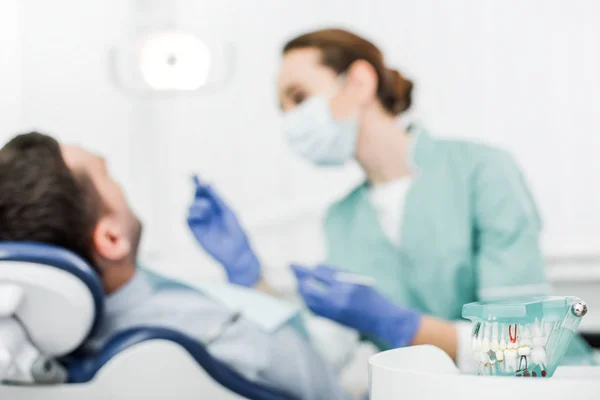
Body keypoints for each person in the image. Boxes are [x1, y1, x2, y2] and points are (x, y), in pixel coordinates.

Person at [188, 28, 595, 370]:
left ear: (360, 82)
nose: (292, 121)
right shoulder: (342, 219)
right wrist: (247, 275)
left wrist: (401, 326)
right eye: (283, 109)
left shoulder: (481, 171)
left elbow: (528, 348)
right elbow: (316, 357)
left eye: (298, 97)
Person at [0, 132, 347, 400]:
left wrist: (247, 279)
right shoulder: (220, 338)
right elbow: (326, 389)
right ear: (110, 238)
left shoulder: (41, 347)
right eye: (109, 178)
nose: (121, 187)